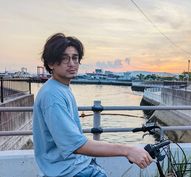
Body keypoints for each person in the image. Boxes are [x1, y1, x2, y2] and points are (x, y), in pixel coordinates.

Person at [33, 33, 153, 177]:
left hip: (73, 166)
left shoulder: (60, 87)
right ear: (51, 63)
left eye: (75, 58)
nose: (71, 63)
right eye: (64, 58)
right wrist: (128, 150)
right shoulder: (53, 95)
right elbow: (76, 145)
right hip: (69, 171)